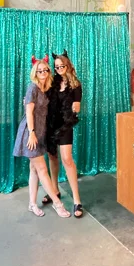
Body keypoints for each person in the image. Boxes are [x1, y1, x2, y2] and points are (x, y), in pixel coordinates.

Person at [13, 56, 70, 218]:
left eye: (45, 70)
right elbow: (29, 112)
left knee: (34, 169)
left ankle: (32, 203)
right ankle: (57, 204)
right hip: (30, 133)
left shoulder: (46, 88)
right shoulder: (32, 88)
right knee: (43, 170)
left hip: (41, 132)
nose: (43, 73)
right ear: (35, 73)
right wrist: (31, 133)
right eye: (40, 71)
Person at [41, 50, 84, 218]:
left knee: (67, 159)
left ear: (68, 66)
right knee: (52, 157)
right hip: (51, 125)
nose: (59, 68)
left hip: (65, 125)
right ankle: (55, 192)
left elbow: (76, 106)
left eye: (61, 66)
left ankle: (77, 200)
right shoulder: (52, 83)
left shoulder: (76, 85)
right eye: (56, 67)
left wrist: (76, 105)